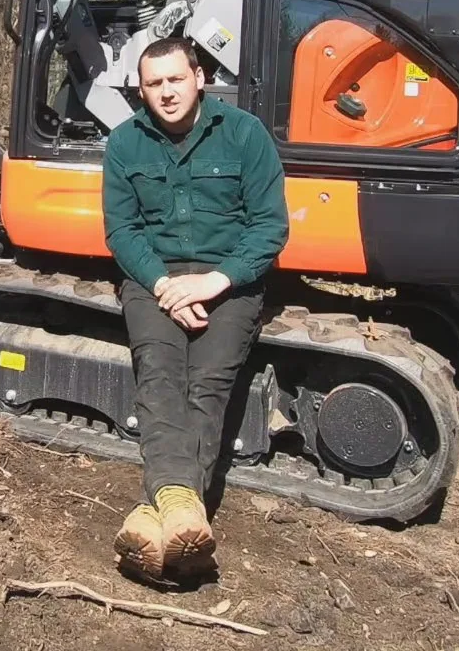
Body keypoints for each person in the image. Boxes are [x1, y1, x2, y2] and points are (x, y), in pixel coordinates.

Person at [101, 35, 289, 582]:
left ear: (199, 78)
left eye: (175, 79)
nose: (166, 92)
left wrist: (213, 280)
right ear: (141, 91)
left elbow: (269, 226)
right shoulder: (125, 143)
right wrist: (163, 285)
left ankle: (155, 510)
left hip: (229, 280)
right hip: (152, 277)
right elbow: (123, 230)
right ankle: (185, 511)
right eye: (154, 84)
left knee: (207, 385)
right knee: (159, 377)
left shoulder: (244, 134)